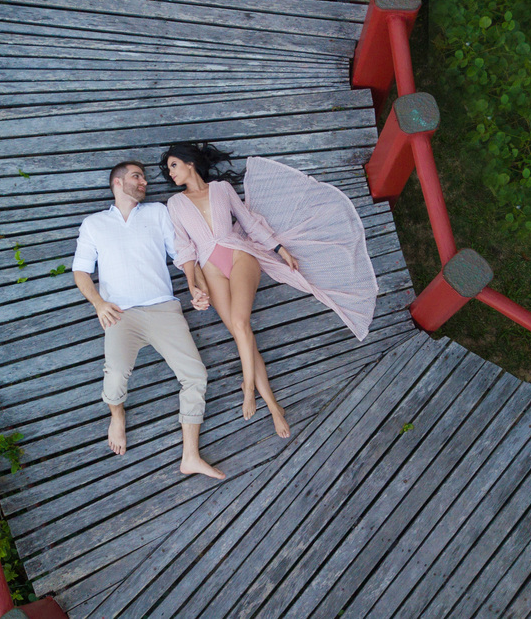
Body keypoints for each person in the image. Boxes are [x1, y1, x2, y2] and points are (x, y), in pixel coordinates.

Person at [161, 143, 378, 439]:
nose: (170, 173)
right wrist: (193, 286)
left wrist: (280, 249)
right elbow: (184, 247)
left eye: (174, 165)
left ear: (189, 163)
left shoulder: (222, 188)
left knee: (239, 324)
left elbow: (248, 222)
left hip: (239, 255)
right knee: (242, 333)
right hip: (209, 267)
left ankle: (248, 387)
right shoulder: (175, 203)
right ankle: (275, 406)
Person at [72, 160, 225, 480]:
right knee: (114, 377)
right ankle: (117, 415)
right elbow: (81, 271)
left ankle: (191, 456)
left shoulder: (157, 212)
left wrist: (194, 286)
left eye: (143, 177)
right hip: (120, 314)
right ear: (117, 183)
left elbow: (182, 254)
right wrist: (99, 304)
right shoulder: (94, 224)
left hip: (163, 309)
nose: (144, 182)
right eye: (136, 177)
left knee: (196, 376)